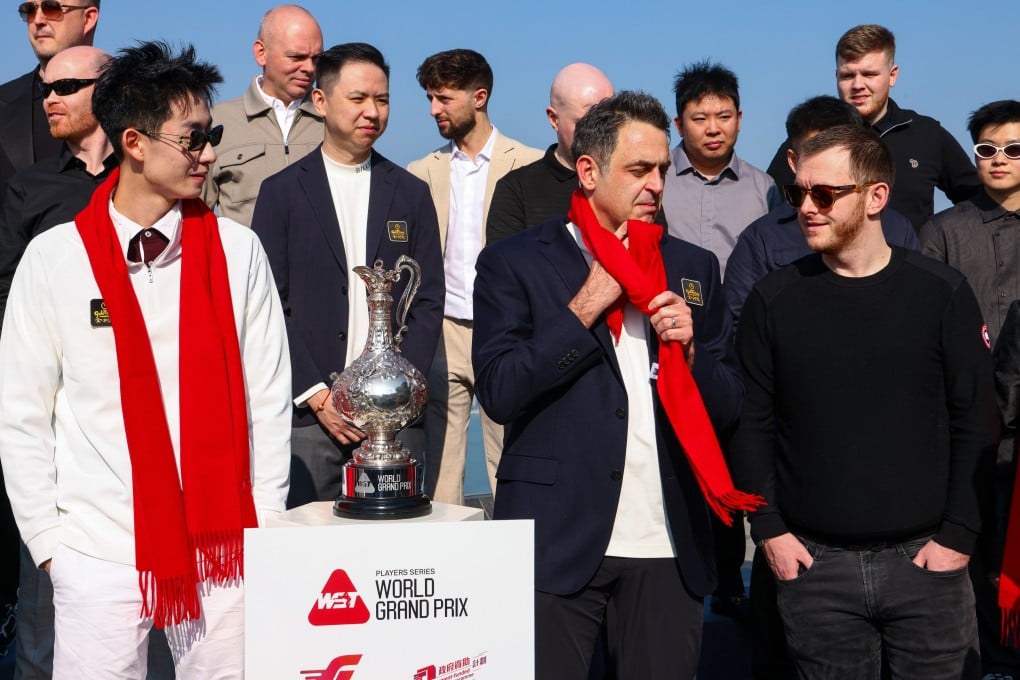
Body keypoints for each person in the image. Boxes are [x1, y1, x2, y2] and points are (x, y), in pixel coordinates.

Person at [0, 40, 292, 677]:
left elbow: (266, 396)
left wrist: (264, 522)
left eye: (210, 134)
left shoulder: (238, 253)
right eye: (193, 138)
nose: (209, 152)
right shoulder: (55, 260)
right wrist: (51, 546)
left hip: (224, 547)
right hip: (97, 552)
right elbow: (23, 412)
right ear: (134, 143)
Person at [473, 90, 751, 679]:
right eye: (638, 169)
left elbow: (729, 405)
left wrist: (694, 354)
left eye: (661, 169)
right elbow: (499, 391)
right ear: (589, 171)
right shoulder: (516, 261)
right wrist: (583, 308)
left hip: (669, 542)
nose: (655, 184)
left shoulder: (694, 266)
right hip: (557, 537)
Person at [730, 123, 998, 678]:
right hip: (814, 570)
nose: (806, 206)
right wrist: (770, 531)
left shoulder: (940, 293)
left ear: (876, 196)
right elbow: (753, 423)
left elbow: (975, 418)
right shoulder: (774, 300)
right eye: (796, 191)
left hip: (928, 565)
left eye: (824, 193)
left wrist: (957, 537)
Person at [252, 42, 443, 509]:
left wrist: (395, 395)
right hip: (310, 420)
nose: (372, 112)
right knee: (311, 563)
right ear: (321, 102)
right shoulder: (280, 193)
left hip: (396, 424)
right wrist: (317, 395)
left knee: (396, 550)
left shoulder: (412, 194)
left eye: (382, 100)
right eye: (358, 99)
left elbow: (428, 300)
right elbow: (266, 304)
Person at [0, 1, 100, 668]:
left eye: (52, 5)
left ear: (89, 15)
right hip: (33, 399)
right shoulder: (15, 135)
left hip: (127, 414)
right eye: (26, 7)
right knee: (36, 592)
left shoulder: (150, 179)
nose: (36, 16)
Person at [408, 49, 541, 505]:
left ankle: (520, 564)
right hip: (442, 331)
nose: (433, 110)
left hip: (506, 331)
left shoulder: (528, 164)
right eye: (429, 97)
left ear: (479, 96)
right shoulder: (420, 172)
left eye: (443, 98)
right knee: (442, 466)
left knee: (512, 457)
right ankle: (443, 564)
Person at [920, 99, 1020, 679]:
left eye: (1012, 148)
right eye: (986, 149)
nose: (998, 159)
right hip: (965, 421)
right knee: (969, 547)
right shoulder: (942, 232)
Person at [726, 95, 919, 329]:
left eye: (835, 150)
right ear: (793, 160)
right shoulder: (761, 240)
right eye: (815, 150)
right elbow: (742, 328)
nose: (809, 208)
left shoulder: (898, 229)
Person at [765, 24, 979, 231]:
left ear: (892, 75)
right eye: (848, 75)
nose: (858, 85)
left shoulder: (927, 135)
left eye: (869, 75)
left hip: (910, 264)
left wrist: (939, 242)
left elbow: (977, 201)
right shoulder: (811, 136)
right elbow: (773, 209)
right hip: (825, 266)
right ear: (836, 76)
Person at [202, 4, 323, 226]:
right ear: (261, 53)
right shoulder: (216, 121)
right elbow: (194, 215)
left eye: (316, 58)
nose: (309, 68)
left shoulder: (333, 122)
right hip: (243, 261)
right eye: (297, 56)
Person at [660, 60, 780, 276]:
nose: (713, 129)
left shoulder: (763, 189)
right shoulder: (657, 178)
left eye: (724, 117)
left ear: (739, 119)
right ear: (678, 125)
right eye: (700, 119)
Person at [486, 63, 613, 244]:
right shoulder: (517, 190)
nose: (601, 131)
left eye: (609, 120)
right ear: (554, 119)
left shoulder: (633, 180)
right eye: (587, 122)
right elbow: (501, 269)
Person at [0, 0, 99, 189]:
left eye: (51, 8)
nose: (37, 20)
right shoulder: (3, 103)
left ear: (88, 18)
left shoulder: (139, 101)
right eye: (29, 10)